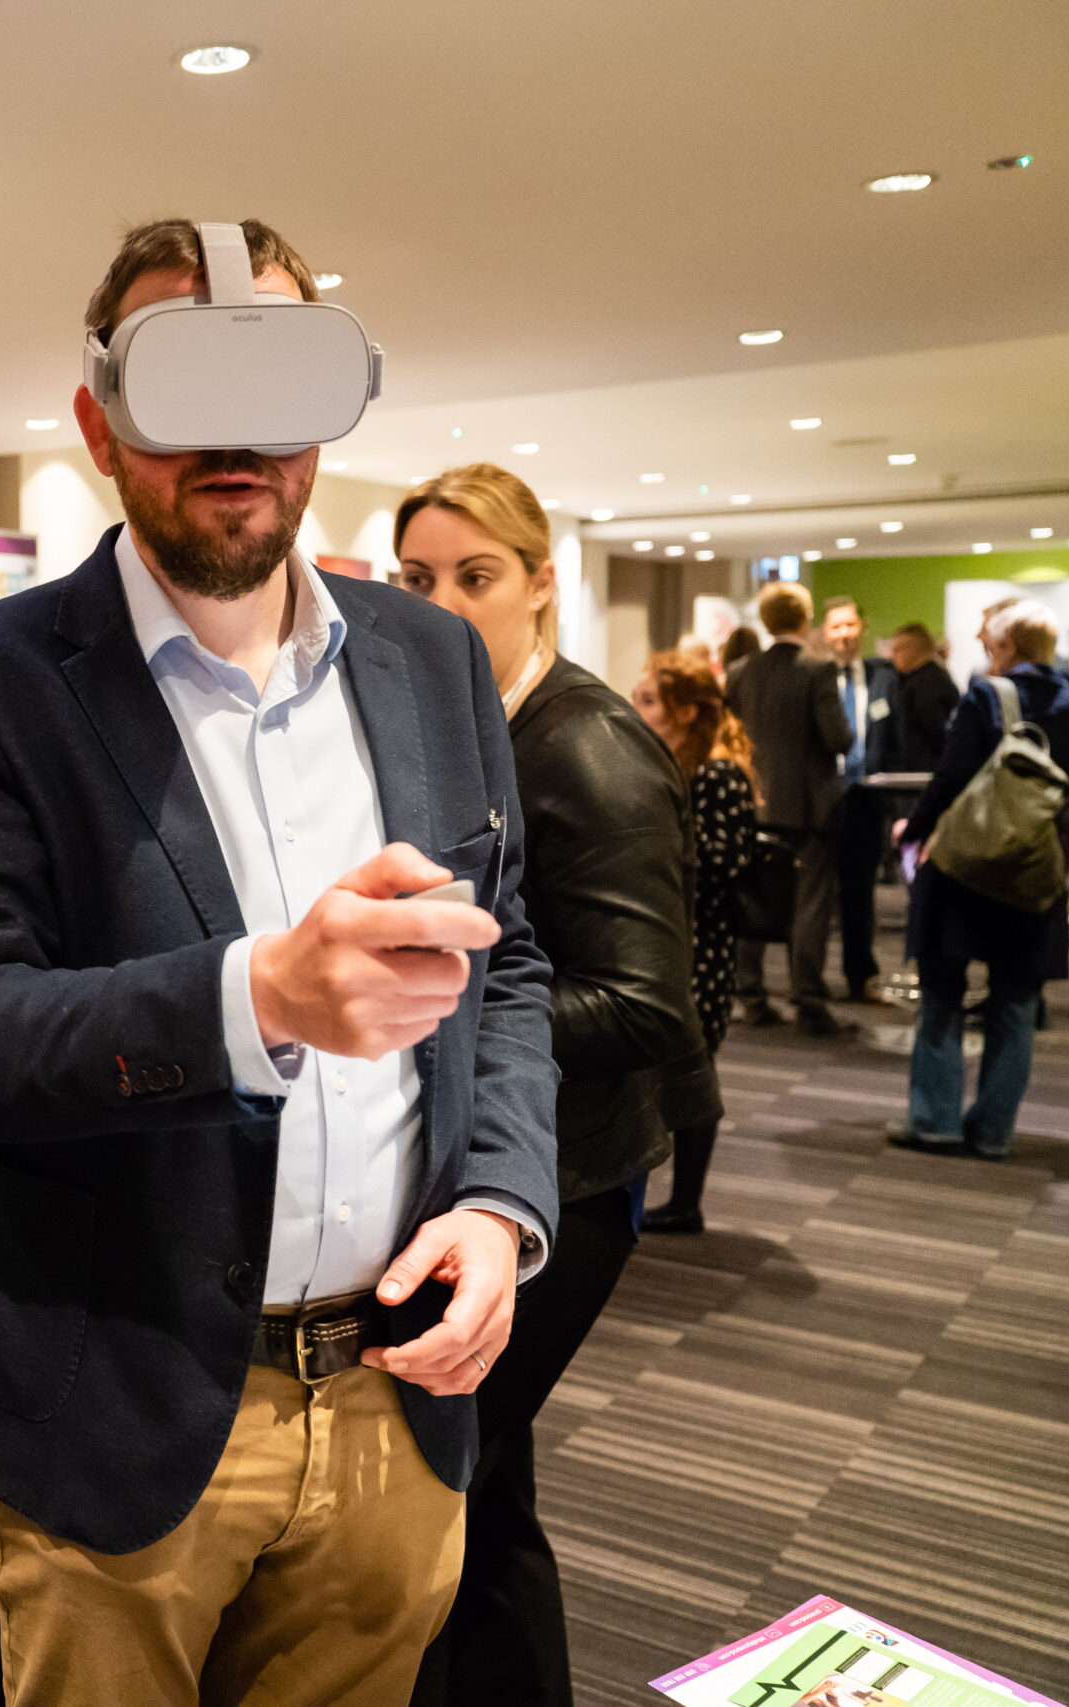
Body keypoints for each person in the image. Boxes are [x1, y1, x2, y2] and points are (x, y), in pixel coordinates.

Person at [0, 218, 560, 1707]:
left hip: (392, 1394)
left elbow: (502, 966)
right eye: (183, 383)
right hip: (110, 1408)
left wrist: (505, 1204)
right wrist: (254, 1000)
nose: (236, 437)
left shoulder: (430, 657)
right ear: (99, 418)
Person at [396, 467, 705, 1707]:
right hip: (502, 1161)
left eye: (475, 577)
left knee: (450, 1472)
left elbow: (646, 1006)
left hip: (570, 1182)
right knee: (479, 1477)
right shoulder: (462, 720)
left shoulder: (583, 743)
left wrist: (434, 1027)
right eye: (417, 579)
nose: (442, 603)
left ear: (540, 584)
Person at [890, 601, 1069, 1159]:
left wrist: (914, 829)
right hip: (1033, 866)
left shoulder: (986, 696)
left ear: (1007, 648)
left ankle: (935, 1122)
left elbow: (953, 776)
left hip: (966, 866)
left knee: (942, 995)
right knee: (1015, 1002)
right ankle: (994, 1131)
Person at [633, 653, 762, 1234]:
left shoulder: (715, 772)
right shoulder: (673, 764)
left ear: (686, 711)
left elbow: (728, 859)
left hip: (701, 945)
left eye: (650, 701)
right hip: (673, 938)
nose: (636, 709)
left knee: (693, 1071)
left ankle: (687, 1200)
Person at [727, 582, 854, 1036]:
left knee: (752, 897)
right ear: (804, 619)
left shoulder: (741, 672)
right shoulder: (817, 670)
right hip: (809, 807)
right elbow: (839, 738)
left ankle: (751, 994)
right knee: (810, 904)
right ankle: (808, 999)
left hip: (753, 802)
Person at [820, 597, 902, 1001]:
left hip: (867, 801)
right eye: (836, 627)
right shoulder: (814, 678)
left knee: (860, 894)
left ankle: (860, 975)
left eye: (850, 626)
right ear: (824, 633)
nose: (845, 635)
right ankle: (809, 980)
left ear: (862, 629)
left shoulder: (883, 678)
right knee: (816, 894)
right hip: (821, 800)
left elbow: (896, 742)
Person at [888, 621, 960, 773]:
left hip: (925, 774)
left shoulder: (925, 683)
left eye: (897, 650)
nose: (892, 657)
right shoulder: (936, 676)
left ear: (910, 650)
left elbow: (936, 731)